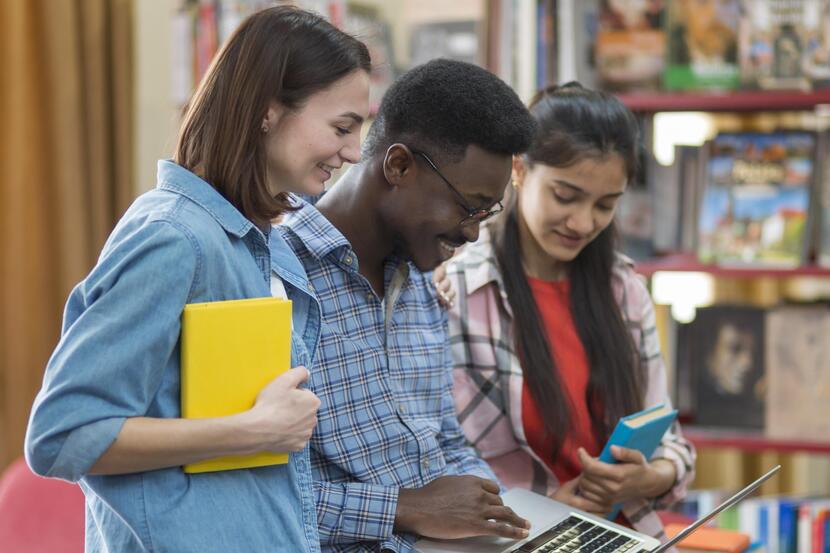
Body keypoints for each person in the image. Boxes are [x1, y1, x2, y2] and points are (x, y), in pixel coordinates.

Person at [24, 7, 371, 552]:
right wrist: (254, 431)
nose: (353, 151)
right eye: (342, 127)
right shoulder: (174, 238)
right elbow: (63, 436)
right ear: (267, 111)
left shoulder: (262, 244)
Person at [278, 59, 538, 553]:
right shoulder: (273, 279)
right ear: (398, 166)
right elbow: (253, 498)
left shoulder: (421, 286)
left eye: (488, 213)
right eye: (468, 207)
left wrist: (501, 515)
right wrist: (406, 507)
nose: (472, 233)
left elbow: (443, 441)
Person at [445, 83, 696, 543]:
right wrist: (536, 508)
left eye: (605, 205)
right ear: (519, 169)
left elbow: (671, 441)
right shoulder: (460, 290)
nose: (583, 223)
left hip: (624, 534)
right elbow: (439, 459)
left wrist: (649, 477)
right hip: (518, 537)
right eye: (566, 195)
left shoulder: (625, 292)